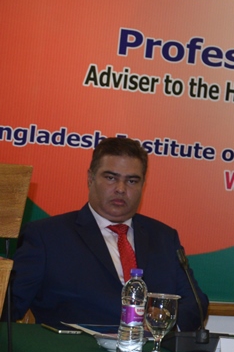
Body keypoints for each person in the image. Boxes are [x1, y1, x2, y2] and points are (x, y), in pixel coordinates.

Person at [11, 137, 209, 330]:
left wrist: (160, 324)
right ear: (90, 179)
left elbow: (195, 304)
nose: (121, 189)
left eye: (132, 181)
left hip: (150, 348)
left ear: (143, 185)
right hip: (73, 349)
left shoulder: (164, 237)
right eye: (110, 178)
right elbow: (9, 306)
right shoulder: (46, 236)